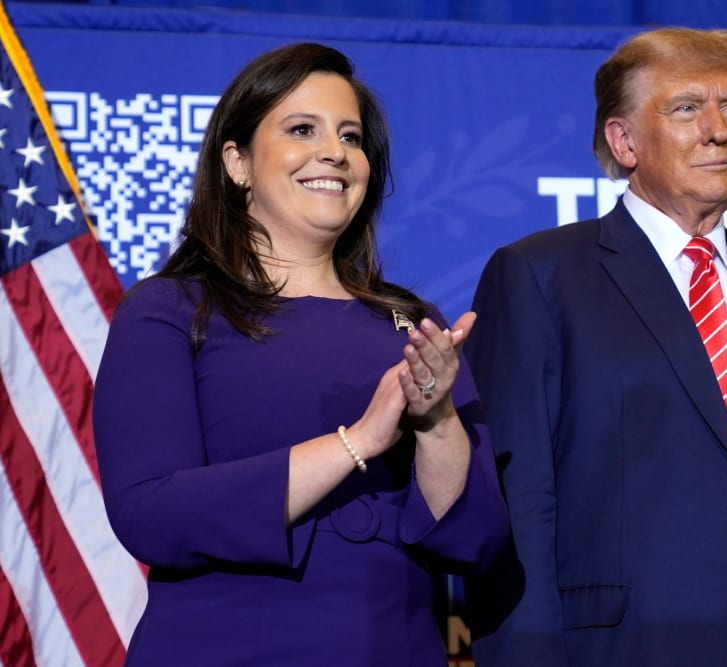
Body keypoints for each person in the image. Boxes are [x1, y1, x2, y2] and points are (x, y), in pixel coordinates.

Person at [464, 27, 727, 667]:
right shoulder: (540, 277)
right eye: (687, 108)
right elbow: (517, 501)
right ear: (624, 140)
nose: (718, 130)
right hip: (638, 642)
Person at [92, 42, 508, 666]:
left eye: (350, 136)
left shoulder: (412, 323)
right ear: (237, 162)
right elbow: (151, 513)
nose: (335, 152)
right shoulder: (169, 310)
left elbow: (477, 539)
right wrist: (358, 442)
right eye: (301, 130)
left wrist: (437, 422)